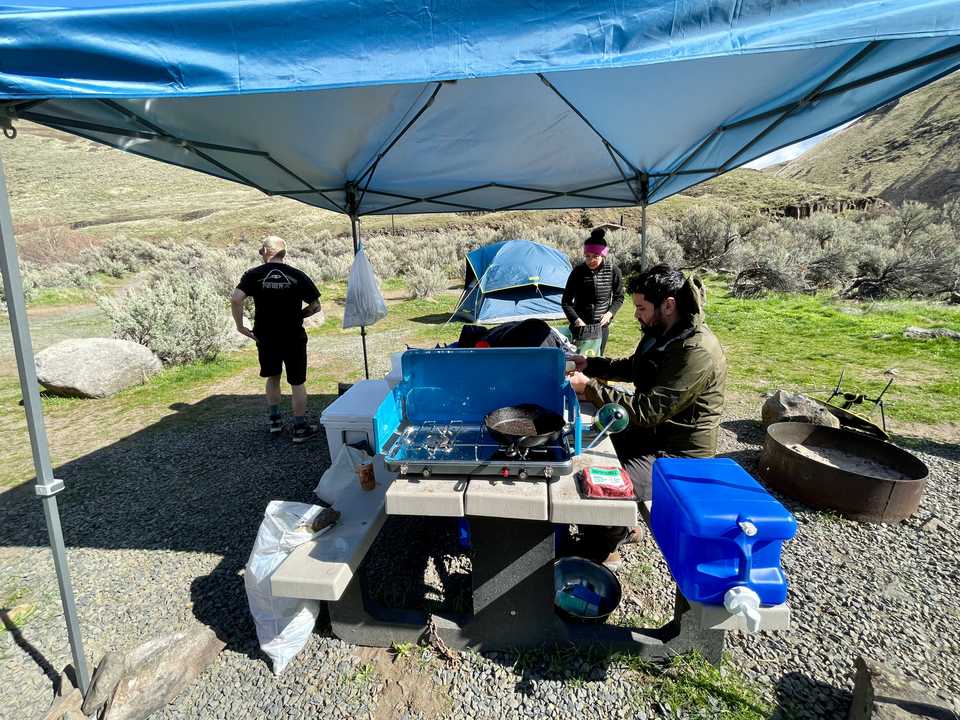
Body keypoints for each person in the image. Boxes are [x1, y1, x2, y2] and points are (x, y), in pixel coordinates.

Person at [567, 264, 727, 567]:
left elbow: (648, 410)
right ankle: (619, 528)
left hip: (677, 454)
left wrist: (590, 389)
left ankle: (604, 549)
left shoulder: (696, 351)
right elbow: (635, 367)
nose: (637, 314)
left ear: (668, 305)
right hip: (652, 435)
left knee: (604, 483)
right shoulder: (664, 332)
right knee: (583, 450)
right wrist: (592, 365)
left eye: (641, 307)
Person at [231, 236, 323, 442]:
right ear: (283, 253)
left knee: (273, 376)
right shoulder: (297, 275)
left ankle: (275, 422)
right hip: (293, 335)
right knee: (297, 382)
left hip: (265, 336)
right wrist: (300, 315)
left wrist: (239, 326)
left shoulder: (254, 275)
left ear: (265, 251)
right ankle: (300, 428)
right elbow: (316, 306)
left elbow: (236, 299)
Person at [561, 228, 624, 355]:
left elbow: (619, 297)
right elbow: (566, 301)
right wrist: (576, 320)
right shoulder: (578, 271)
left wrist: (610, 314)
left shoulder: (613, 270)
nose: (591, 260)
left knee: (597, 363)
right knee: (577, 362)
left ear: (603, 255)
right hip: (580, 326)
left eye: (595, 256)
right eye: (587, 256)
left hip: (601, 327)